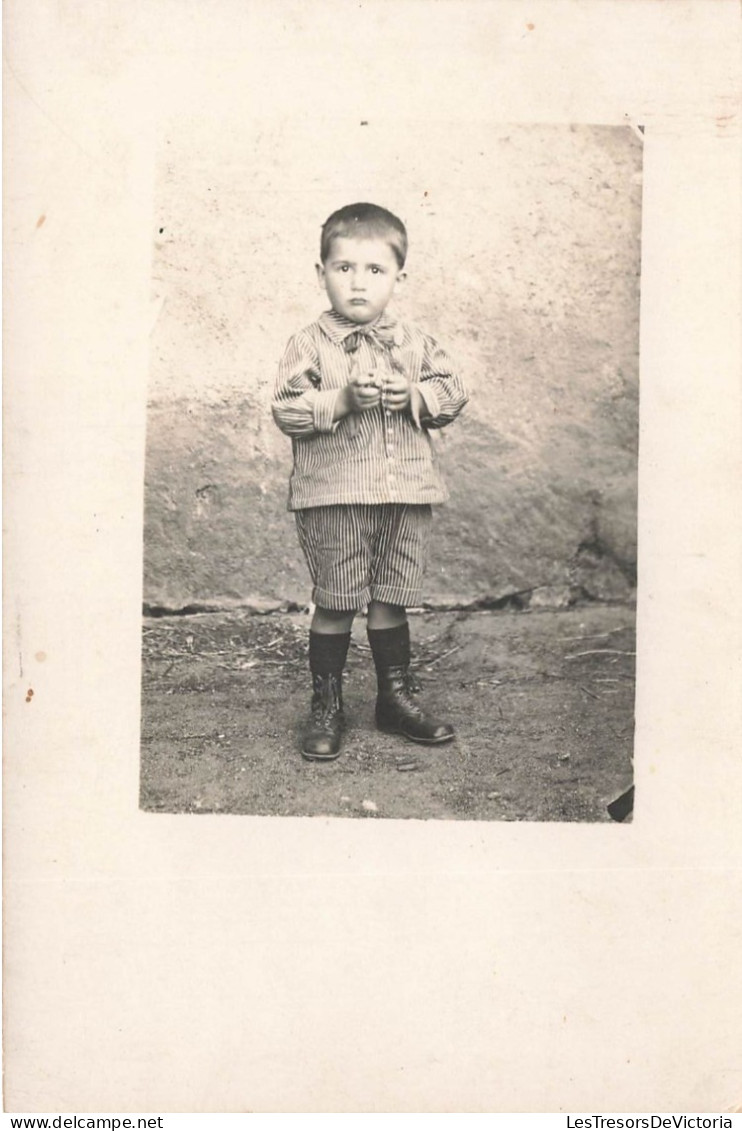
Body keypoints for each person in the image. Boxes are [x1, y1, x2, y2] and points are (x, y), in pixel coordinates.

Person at [272, 202, 468, 761]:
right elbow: (286, 408)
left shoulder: (416, 342)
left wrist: (419, 396)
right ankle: (327, 704)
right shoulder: (308, 343)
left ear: (399, 279)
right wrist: (338, 399)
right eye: (344, 268)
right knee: (336, 599)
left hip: (404, 492)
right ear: (321, 273)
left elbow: (454, 389)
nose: (358, 283)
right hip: (333, 495)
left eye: (375, 270)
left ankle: (394, 698)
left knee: (392, 596)